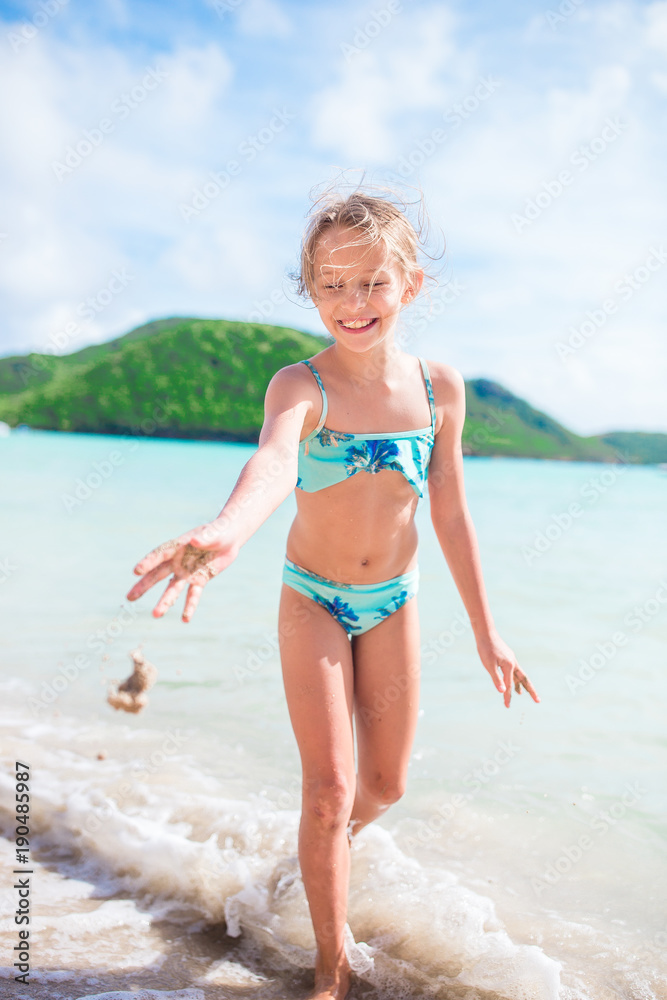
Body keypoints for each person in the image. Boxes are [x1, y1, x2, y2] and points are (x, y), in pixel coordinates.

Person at [126, 189, 540, 1000]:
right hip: (311, 599)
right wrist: (226, 531)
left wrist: (489, 633)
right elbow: (274, 464)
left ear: (410, 284)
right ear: (310, 290)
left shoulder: (438, 391)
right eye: (332, 286)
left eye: (373, 283)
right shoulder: (300, 384)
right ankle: (330, 967)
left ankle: (317, 856)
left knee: (382, 787)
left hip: (394, 598)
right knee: (328, 791)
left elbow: (450, 510)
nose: (353, 304)